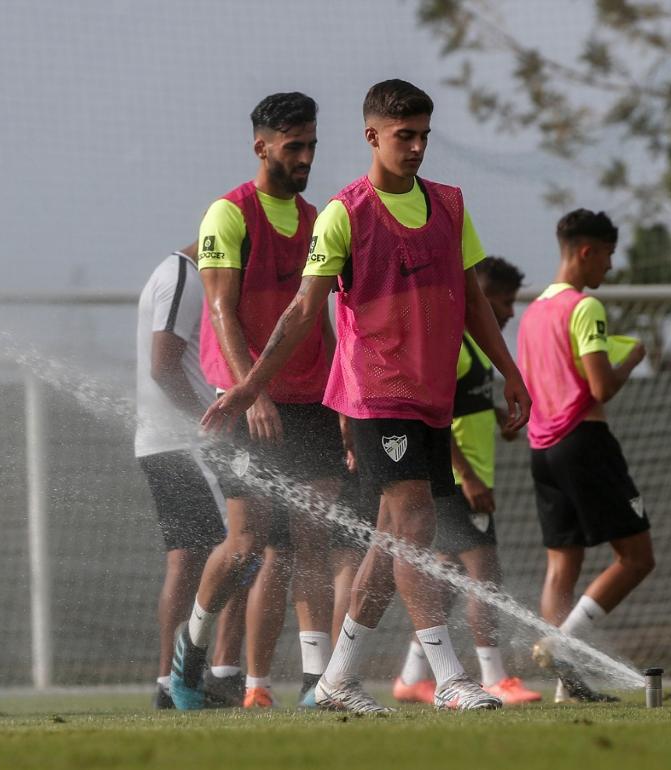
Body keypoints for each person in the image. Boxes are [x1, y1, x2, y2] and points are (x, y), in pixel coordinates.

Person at [203, 79, 532, 713]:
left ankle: (337, 680)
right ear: (372, 136)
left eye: (424, 136)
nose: (416, 148)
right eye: (404, 136)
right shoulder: (344, 212)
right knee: (414, 525)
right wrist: (249, 387)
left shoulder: (451, 206)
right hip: (376, 396)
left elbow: (473, 303)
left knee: (389, 538)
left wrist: (509, 372)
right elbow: (304, 311)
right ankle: (451, 677)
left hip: (430, 396)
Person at [171, 92, 344, 710]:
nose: (304, 157)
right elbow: (220, 308)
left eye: (312, 146)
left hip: (314, 401)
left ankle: (318, 683)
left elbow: (319, 318)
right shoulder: (228, 214)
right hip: (246, 400)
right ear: (261, 146)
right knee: (247, 541)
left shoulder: (321, 217)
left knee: (312, 538)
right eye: (293, 145)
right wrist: (253, 393)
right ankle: (189, 654)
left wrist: (341, 399)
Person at [518, 209, 653, 703]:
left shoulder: (532, 314)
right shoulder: (584, 307)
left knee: (561, 567)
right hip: (584, 441)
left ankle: (568, 688)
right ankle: (561, 645)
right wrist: (632, 358)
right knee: (637, 557)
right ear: (586, 252)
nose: (610, 268)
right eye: (608, 256)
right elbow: (600, 386)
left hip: (543, 450)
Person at [391, 256, 540, 705]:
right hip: (459, 480)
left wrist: (495, 415)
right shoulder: (453, 345)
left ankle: (411, 675)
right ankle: (494, 676)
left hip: (464, 476)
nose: (511, 312)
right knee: (485, 575)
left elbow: (460, 407)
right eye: (504, 303)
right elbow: (433, 418)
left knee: (451, 576)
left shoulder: (474, 345)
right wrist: (470, 476)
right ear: (480, 295)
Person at [135, 243, 248, 709]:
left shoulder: (175, 272)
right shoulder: (184, 274)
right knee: (245, 545)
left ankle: (171, 682)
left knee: (189, 560)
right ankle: (216, 673)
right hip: (188, 443)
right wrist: (213, 423)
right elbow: (163, 365)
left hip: (167, 441)